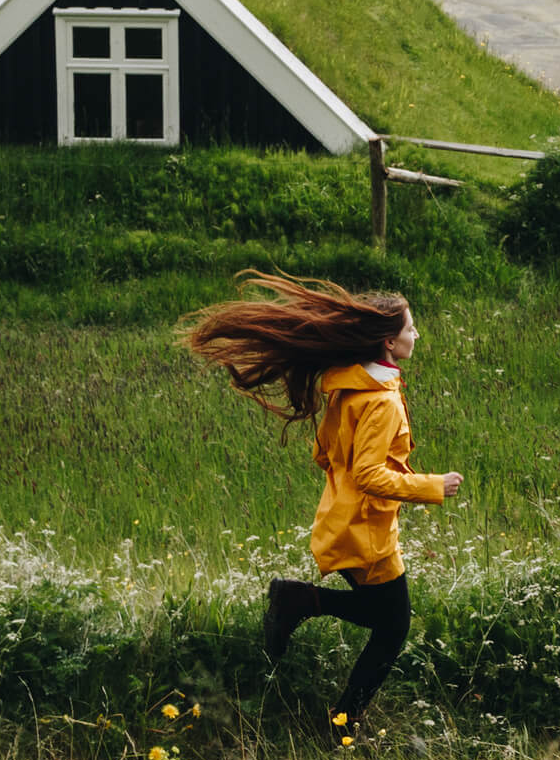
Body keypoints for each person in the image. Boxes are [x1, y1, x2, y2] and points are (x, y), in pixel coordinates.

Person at [180, 270, 462, 729]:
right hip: (366, 535)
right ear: (389, 343)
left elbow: (325, 453)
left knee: (384, 618)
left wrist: (353, 483)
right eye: (410, 327)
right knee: (393, 630)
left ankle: (300, 606)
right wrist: (432, 486)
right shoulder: (380, 400)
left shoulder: (351, 388)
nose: (416, 334)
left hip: (342, 522)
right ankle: (343, 720)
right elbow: (369, 474)